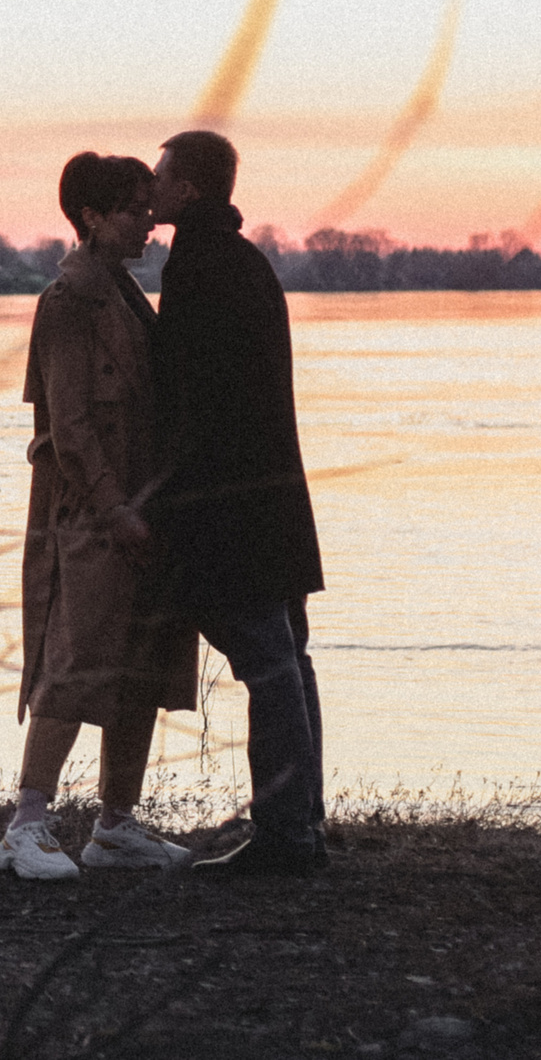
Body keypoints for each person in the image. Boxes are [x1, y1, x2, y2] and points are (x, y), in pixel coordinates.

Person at [0, 152, 198, 881]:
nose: (149, 219)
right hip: (92, 517)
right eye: (134, 207)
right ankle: (25, 824)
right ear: (91, 216)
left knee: (141, 663)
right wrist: (114, 509)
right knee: (74, 663)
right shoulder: (68, 299)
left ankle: (115, 823)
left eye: (148, 204)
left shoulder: (125, 292)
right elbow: (70, 428)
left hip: (140, 511)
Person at [147, 128, 328, 876]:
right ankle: (303, 820)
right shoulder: (246, 261)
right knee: (289, 659)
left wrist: (164, 500)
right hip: (274, 499)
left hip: (233, 508)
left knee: (269, 663)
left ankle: (286, 834)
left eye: (160, 176)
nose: (151, 188)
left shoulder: (199, 267)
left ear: (188, 188)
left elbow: (194, 402)